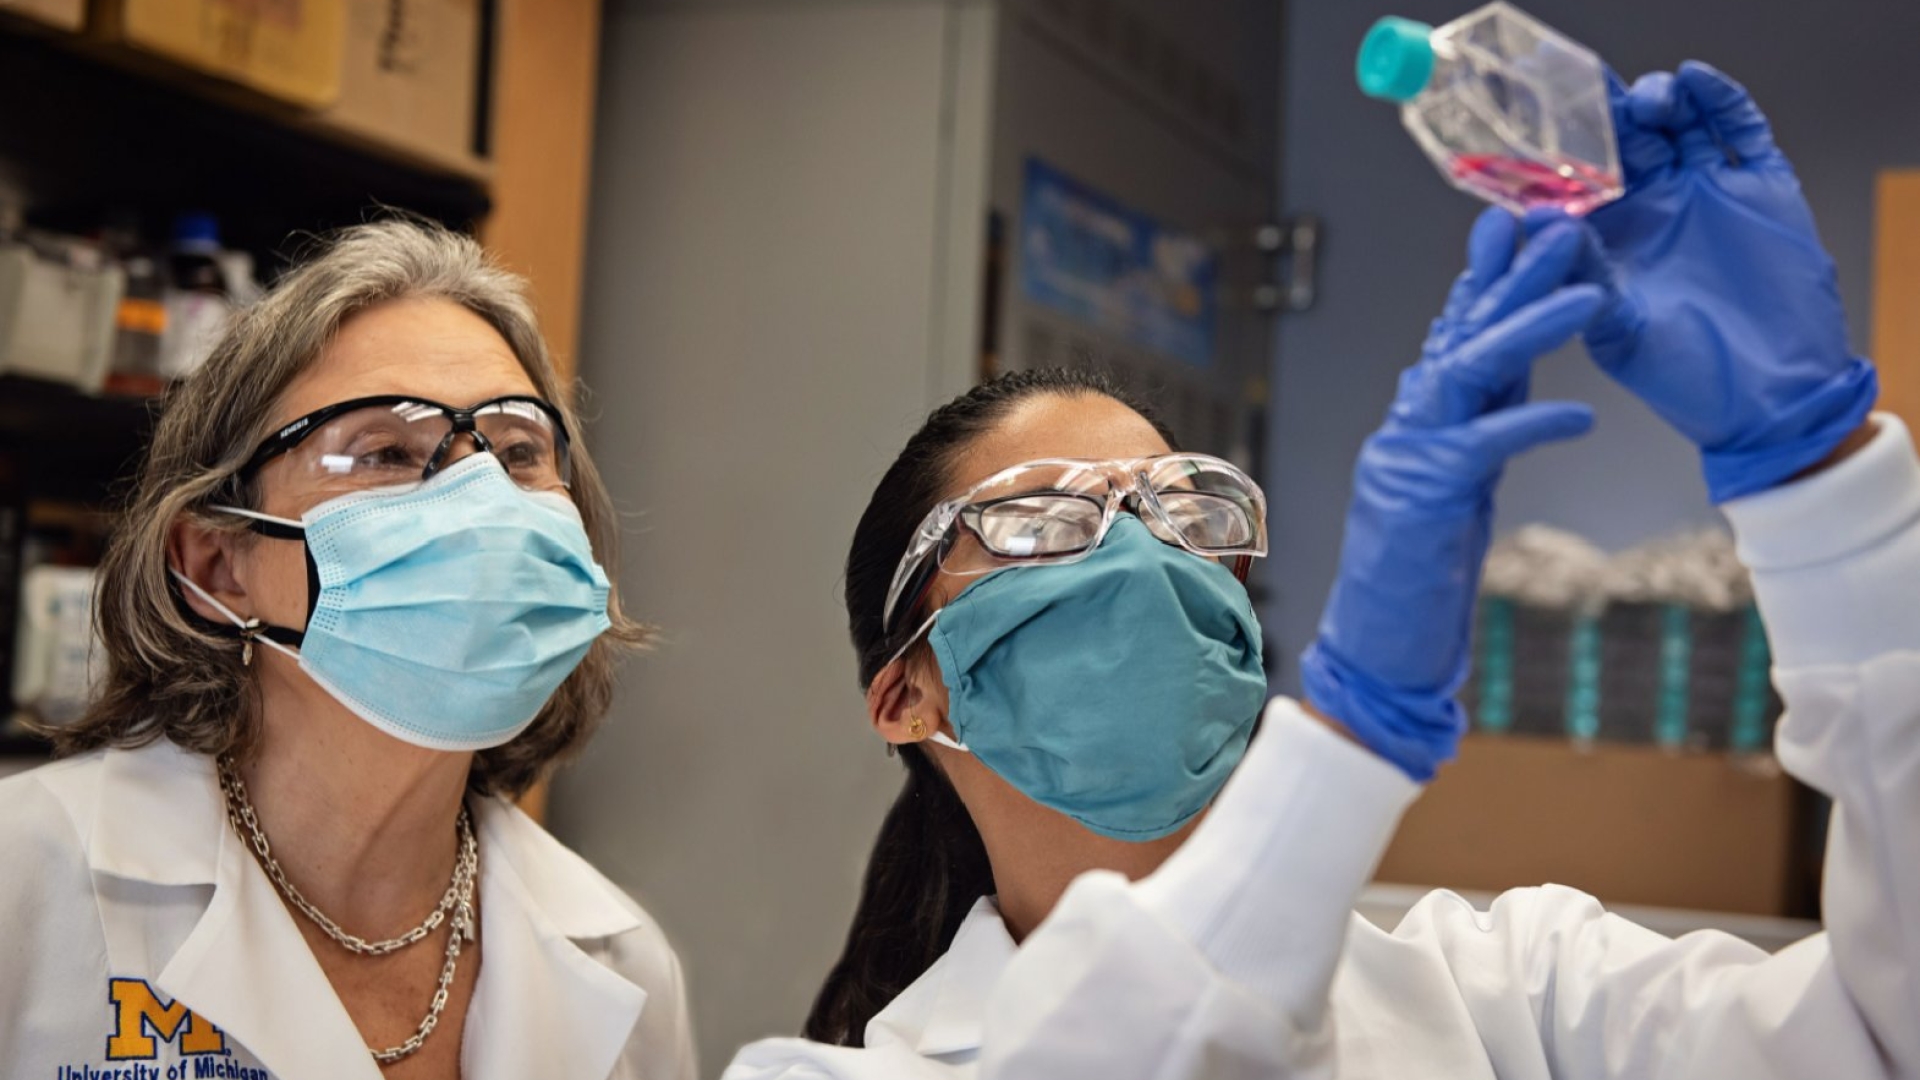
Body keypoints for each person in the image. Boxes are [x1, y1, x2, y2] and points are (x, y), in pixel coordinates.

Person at [723, 62, 1915, 1079]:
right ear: (907, 695)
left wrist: (1827, 484)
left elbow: (1880, 1037)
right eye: (1040, 521)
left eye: (1185, 508)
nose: (1144, 553)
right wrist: (1354, 736)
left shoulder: (1514, 990)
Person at [0, 221, 696, 1080]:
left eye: (520, 452)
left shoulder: (624, 966)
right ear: (219, 566)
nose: (482, 498)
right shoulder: (22, 889)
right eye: (388, 451)